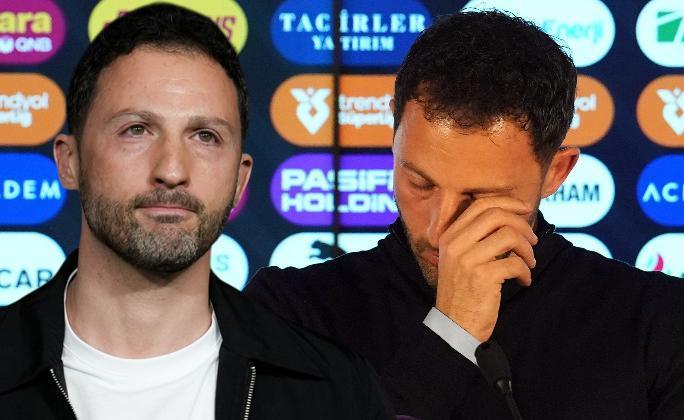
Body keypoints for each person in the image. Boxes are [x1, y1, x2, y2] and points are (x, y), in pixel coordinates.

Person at [246, 10, 684, 419]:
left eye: (479, 197)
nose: (440, 228)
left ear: (556, 172)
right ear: (393, 138)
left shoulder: (657, 322)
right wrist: (450, 332)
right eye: (419, 182)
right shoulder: (290, 314)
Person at [0, 4, 392, 419]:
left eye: (205, 136)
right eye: (136, 130)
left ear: (240, 180)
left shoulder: (336, 394)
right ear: (70, 161)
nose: (172, 171)